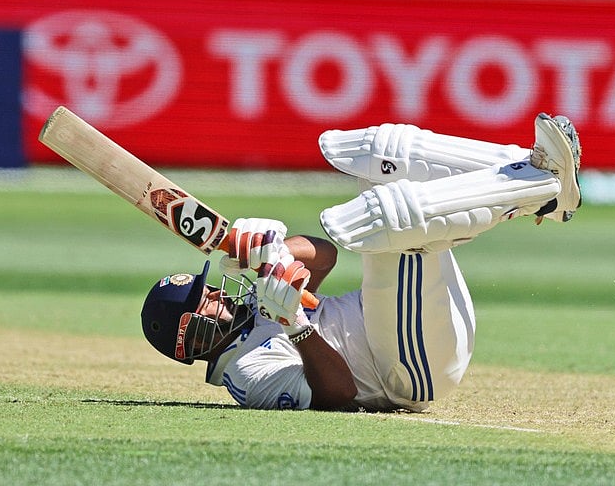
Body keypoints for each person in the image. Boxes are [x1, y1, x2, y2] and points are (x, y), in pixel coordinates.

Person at [140, 113, 582, 411]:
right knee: (380, 219)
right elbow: (338, 395)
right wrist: (296, 325)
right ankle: (537, 193)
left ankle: (534, 171)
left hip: (417, 321)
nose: (216, 293)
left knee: (379, 152)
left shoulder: (248, 313)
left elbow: (325, 254)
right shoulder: (247, 375)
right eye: (204, 299)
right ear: (191, 336)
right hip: (407, 371)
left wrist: (269, 253)